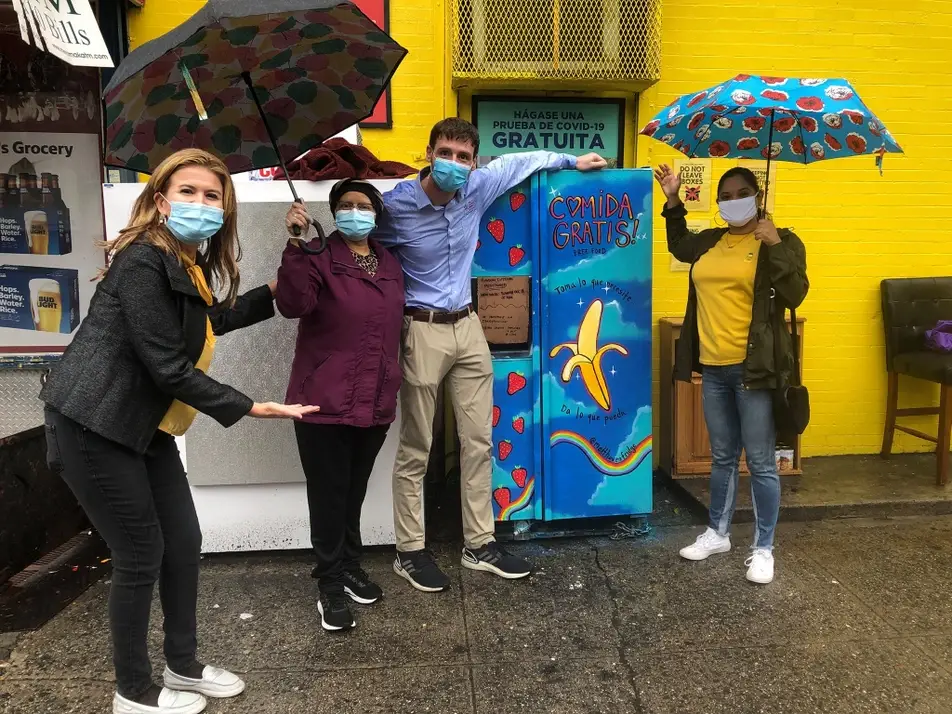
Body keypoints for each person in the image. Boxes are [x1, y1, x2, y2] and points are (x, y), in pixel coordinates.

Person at [40, 149, 319, 714]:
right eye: (186, 191)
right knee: (140, 553)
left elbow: (211, 319)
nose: (199, 203)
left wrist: (277, 281)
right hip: (94, 423)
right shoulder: (144, 258)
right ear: (161, 198)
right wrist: (250, 407)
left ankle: (182, 667)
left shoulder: (183, 262)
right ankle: (134, 692)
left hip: (143, 425)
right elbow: (166, 365)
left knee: (183, 543)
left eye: (212, 195)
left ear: (225, 207)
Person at [374, 117, 607, 593]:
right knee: (417, 447)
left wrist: (571, 160)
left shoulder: (477, 188)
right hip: (420, 330)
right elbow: (360, 253)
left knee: (478, 440)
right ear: (428, 152)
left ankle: (479, 544)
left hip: (468, 326)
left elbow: (523, 161)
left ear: (474, 161)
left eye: (463, 156)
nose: (454, 164)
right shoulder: (395, 205)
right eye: (445, 153)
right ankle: (409, 551)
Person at [655, 164, 808, 585]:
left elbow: (796, 292)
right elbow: (681, 247)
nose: (732, 200)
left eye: (741, 192)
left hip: (754, 369)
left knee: (760, 462)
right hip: (714, 366)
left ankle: (763, 548)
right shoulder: (712, 241)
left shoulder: (782, 240)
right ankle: (717, 533)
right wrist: (673, 201)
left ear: (757, 195)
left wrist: (774, 243)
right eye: (725, 194)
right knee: (722, 457)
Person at [277, 180, 404, 633]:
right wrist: (295, 242)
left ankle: (349, 564)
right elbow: (292, 305)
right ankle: (328, 582)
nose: (355, 212)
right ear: (333, 213)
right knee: (328, 494)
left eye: (364, 206)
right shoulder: (315, 256)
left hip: (374, 400)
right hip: (324, 401)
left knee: (353, 491)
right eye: (346, 205)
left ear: (377, 214)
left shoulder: (389, 262)